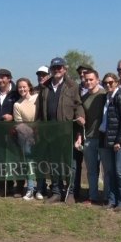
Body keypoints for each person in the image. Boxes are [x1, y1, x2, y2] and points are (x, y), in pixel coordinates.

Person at [37, 57, 85, 204]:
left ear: (65, 69)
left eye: (59, 67)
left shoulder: (73, 86)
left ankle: (69, 193)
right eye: (54, 68)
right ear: (51, 70)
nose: (57, 70)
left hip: (67, 131)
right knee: (54, 164)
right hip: (50, 132)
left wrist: (81, 116)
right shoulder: (44, 86)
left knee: (69, 163)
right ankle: (56, 192)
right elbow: (40, 109)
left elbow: (78, 104)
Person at [99, 72, 121, 211]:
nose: (108, 85)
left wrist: (119, 140)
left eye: (110, 82)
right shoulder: (106, 97)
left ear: (117, 82)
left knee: (119, 171)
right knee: (111, 171)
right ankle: (112, 200)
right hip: (108, 138)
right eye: (105, 83)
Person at [0, 68, 22, 197]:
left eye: (3, 77)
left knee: (16, 159)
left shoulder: (16, 92)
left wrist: (12, 117)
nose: (0, 80)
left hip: (14, 132)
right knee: (0, 159)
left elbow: (22, 107)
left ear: (9, 78)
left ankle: (19, 187)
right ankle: (4, 187)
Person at [13, 78, 43, 200]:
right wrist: (30, 134)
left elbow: (42, 115)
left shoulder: (38, 98)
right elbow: (19, 123)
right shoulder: (17, 105)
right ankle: (30, 189)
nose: (22, 89)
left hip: (41, 135)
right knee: (29, 163)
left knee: (41, 162)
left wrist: (38, 131)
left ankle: (40, 189)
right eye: (20, 87)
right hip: (26, 138)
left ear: (29, 87)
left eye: (24, 86)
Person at [80, 68, 107, 205]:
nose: (88, 82)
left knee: (107, 170)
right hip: (89, 138)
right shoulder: (83, 98)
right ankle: (93, 197)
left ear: (97, 80)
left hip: (104, 138)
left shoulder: (105, 95)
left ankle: (107, 197)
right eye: (86, 80)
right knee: (91, 171)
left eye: (91, 79)